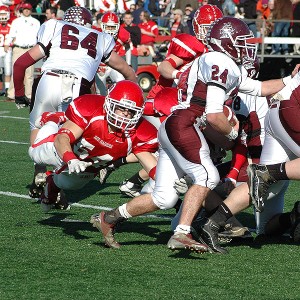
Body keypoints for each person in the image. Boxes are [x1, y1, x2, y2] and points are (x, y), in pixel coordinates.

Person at [90, 17, 293, 253]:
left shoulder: (223, 64)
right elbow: (214, 114)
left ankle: (109, 218)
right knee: (207, 177)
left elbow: (260, 88)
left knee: (163, 198)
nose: (246, 46)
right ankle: (182, 234)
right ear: (226, 42)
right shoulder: (220, 61)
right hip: (185, 123)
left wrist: (291, 79)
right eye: (241, 41)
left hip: (174, 124)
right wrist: (233, 132)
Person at [12, 6, 136, 198]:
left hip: (49, 80)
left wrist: (19, 93)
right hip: (79, 85)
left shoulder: (53, 26)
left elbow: (20, 64)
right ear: (88, 23)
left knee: (36, 126)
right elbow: (128, 73)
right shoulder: (101, 38)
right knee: (70, 133)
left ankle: (39, 172)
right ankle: (57, 183)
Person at [99, 5, 224, 195]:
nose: (211, 32)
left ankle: (130, 179)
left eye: (215, 27)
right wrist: (179, 75)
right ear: (198, 27)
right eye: (207, 27)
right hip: (165, 101)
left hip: (186, 107)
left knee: (169, 152)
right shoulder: (191, 45)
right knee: (174, 149)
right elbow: (164, 67)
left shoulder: (216, 52)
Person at [28, 80, 158, 212]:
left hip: (90, 164)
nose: (125, 114)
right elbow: (62, 139)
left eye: (130, 111)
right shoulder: (91, 110)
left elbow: (151, 165)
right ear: (109, 104)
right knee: (34, 153)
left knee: (71, 184)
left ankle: (51, 184)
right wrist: (70, 158)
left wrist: (167, 181)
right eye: (121, 108)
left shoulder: (139, 132)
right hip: (68, 149)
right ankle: (53, 120)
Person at [5, 2, 40, 101]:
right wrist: (7, 43)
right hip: (18, 48)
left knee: (29, 73)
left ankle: (29, 95)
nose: (26, 11)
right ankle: (12, 94)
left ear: (31, 10)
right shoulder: (16, 21)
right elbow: (11, 34)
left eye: (28, 9)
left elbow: (38, 37)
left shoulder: (36, 22)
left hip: (31, 48)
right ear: (22, 10)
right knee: (15, 72)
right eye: (25, 9)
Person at [94, 12, 132, 95]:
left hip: (115, 65)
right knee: (100, 92)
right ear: (102, 26)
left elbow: (128, 47)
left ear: (118, 26)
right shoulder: (96, 34)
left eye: (112, 27)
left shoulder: (123, 34)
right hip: (100, 66)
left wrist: (128, 64)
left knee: (121, 84)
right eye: (108, 27)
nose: (110, 30)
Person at [0, 5, 12, 97]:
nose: (3, 16)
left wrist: (10, 44)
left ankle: (7, 89)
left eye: (4, 14)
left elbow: (15, 37)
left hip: (8, 49)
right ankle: (2, 89)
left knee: (8, 70)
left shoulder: (11, 26)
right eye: (1, 14)